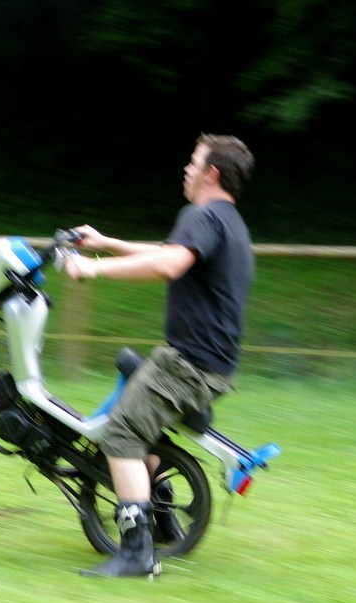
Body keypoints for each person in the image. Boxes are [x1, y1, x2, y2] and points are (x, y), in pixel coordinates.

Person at [64, 133, 256, 578]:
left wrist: (93, 268)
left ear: (211, 173)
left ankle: (137, 554)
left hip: (189, 364)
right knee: (139, 431)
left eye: (193, 162)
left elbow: (169, 265)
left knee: (121, 435)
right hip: (209, 364)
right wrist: (106, 242)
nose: (186, 169)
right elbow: (171, 254)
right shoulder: (228, 221)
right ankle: (163, 520)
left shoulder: (203, 214)